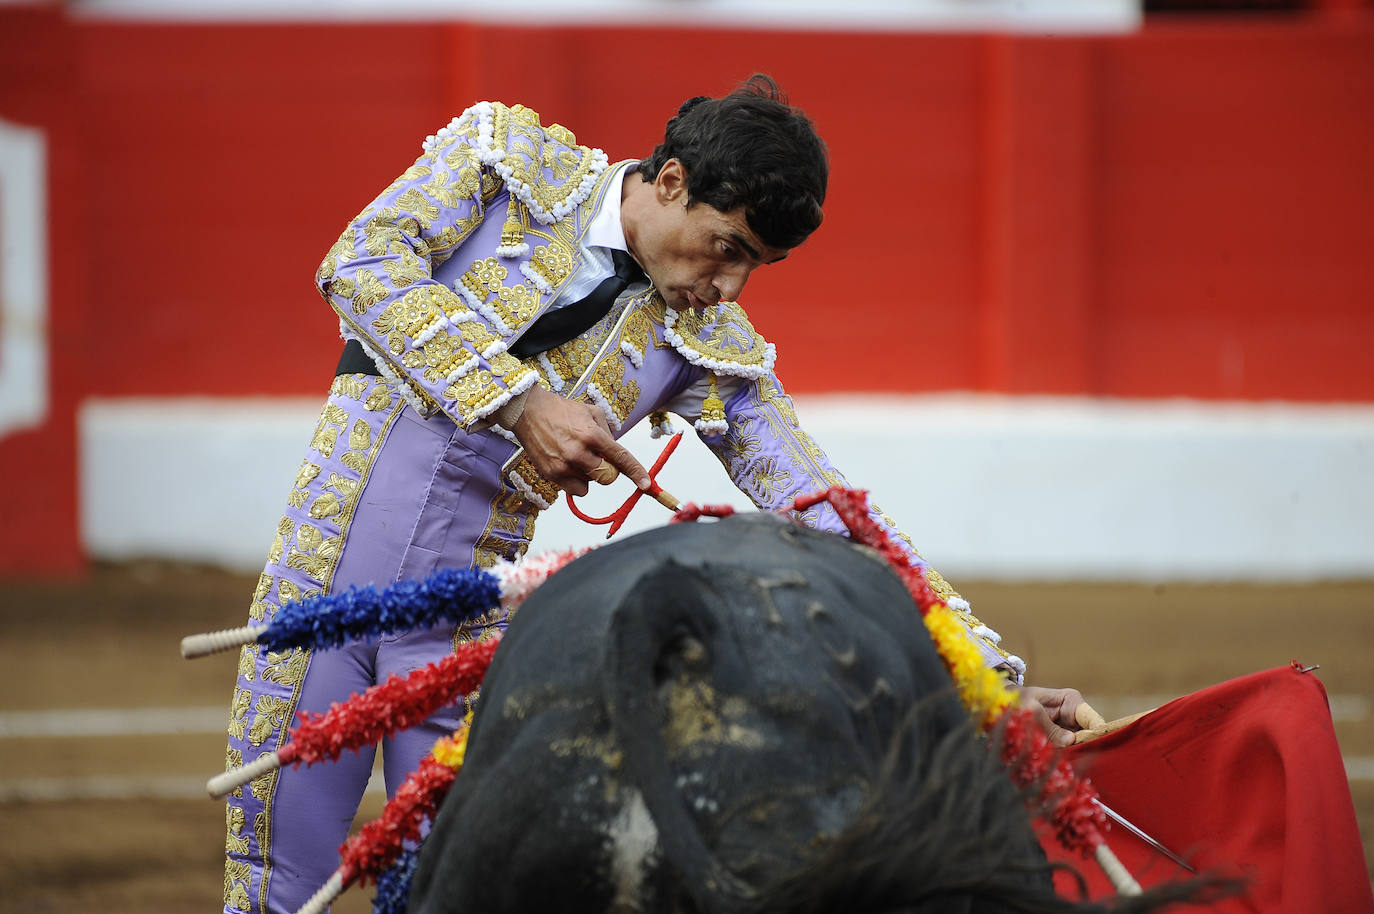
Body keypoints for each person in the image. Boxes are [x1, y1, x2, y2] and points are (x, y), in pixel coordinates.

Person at [221, 75, 1092, 914]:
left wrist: (983, 679)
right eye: (729, 248)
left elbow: (820, 502)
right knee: (272, 882)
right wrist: (521, 405)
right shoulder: (506, 163)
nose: (730, 287)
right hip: (311, 604)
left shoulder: (709, 342)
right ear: (670, 182)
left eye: (759, 266)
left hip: (463, 640)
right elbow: (362, 263)